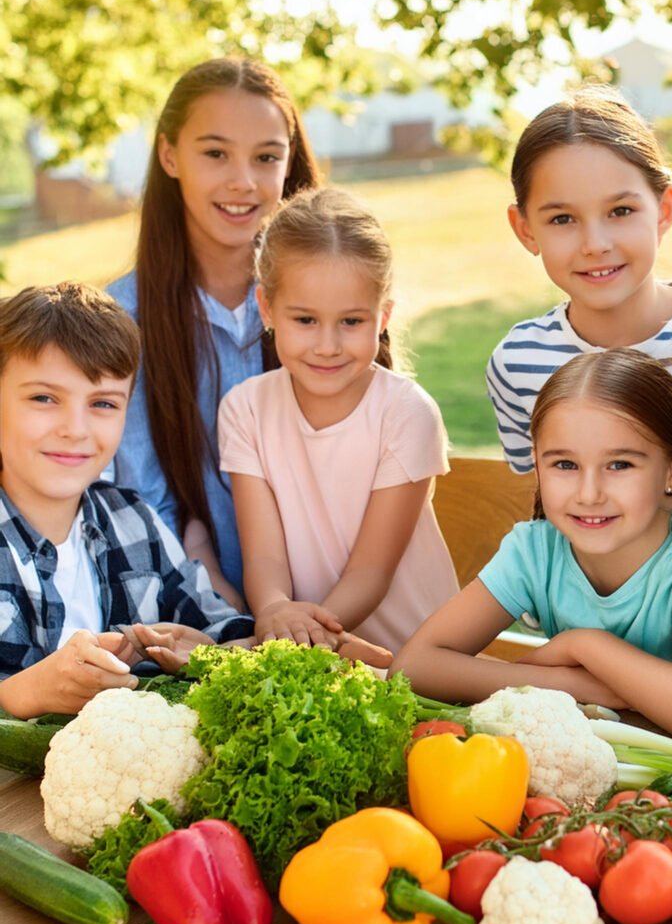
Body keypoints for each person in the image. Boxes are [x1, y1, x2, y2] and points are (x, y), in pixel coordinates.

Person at [399, 348, 672, 739]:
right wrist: (577, 685)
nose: (589, 494)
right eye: (565, 465)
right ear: (537, 465)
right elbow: (416, 666)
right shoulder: (534, 553)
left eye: (620, 465)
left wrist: (583, 646)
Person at [109, 57, 320, 610]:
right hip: (187, 613)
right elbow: (142, 496)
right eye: (215, 153)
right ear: (169, 155)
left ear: (289, 161)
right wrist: (229, 612)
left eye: (266, 157)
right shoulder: (123, 318)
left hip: (338, 607)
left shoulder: (332, 304)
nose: (243, 182)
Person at [218, 186, 460, 654]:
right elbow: (265, 555)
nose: (327, 345)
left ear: (383, 316)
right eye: (305, 320)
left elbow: (370, 575)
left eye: (351, 322)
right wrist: (273, 609)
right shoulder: (245, 409)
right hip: (310, 654)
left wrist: (296, 640)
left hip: (416, 661)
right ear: (266, 308)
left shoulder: (406, 414)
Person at [0, 283, 255, 719]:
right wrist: (19, 695)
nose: (75, 429)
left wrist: (214, 653)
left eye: (102, 403)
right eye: (44, 398)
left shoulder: (133, 520)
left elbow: (224, 627)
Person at [485, 84, 672, 524]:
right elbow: (548, 514)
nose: (595, 244)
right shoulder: (518, 364)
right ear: (525, 229)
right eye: (562, 219)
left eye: (620, 211)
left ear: (663, 209)